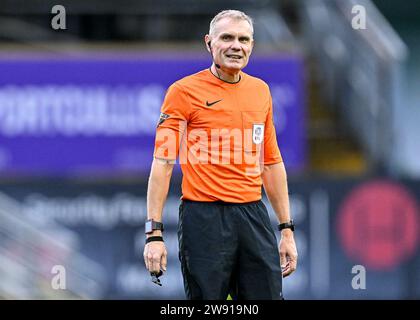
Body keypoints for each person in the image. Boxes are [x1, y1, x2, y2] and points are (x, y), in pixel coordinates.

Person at [143, 9, 298, 300]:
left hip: (253, 215)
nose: (235, 46)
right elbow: (163, 163)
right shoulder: (183, 92)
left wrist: (286, 231)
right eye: (226, 37)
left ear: (251, 46)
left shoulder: (260, 91)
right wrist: (154, 234)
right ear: (209, 43)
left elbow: (271, 163)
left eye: (243, 39)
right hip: (203, 217)